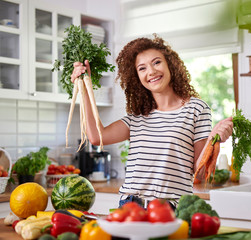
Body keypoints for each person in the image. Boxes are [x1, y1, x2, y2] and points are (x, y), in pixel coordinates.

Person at [71, 34, 233, 209]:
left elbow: (200, 173)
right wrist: (84, 88)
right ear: (137, 78)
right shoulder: (138, 116)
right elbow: (97, 137)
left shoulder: (197, 109)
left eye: (157, 62)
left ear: (170, 64)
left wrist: (213, 139)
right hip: (130, 205)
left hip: (170, 208)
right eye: (142, 68)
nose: (151, 71)